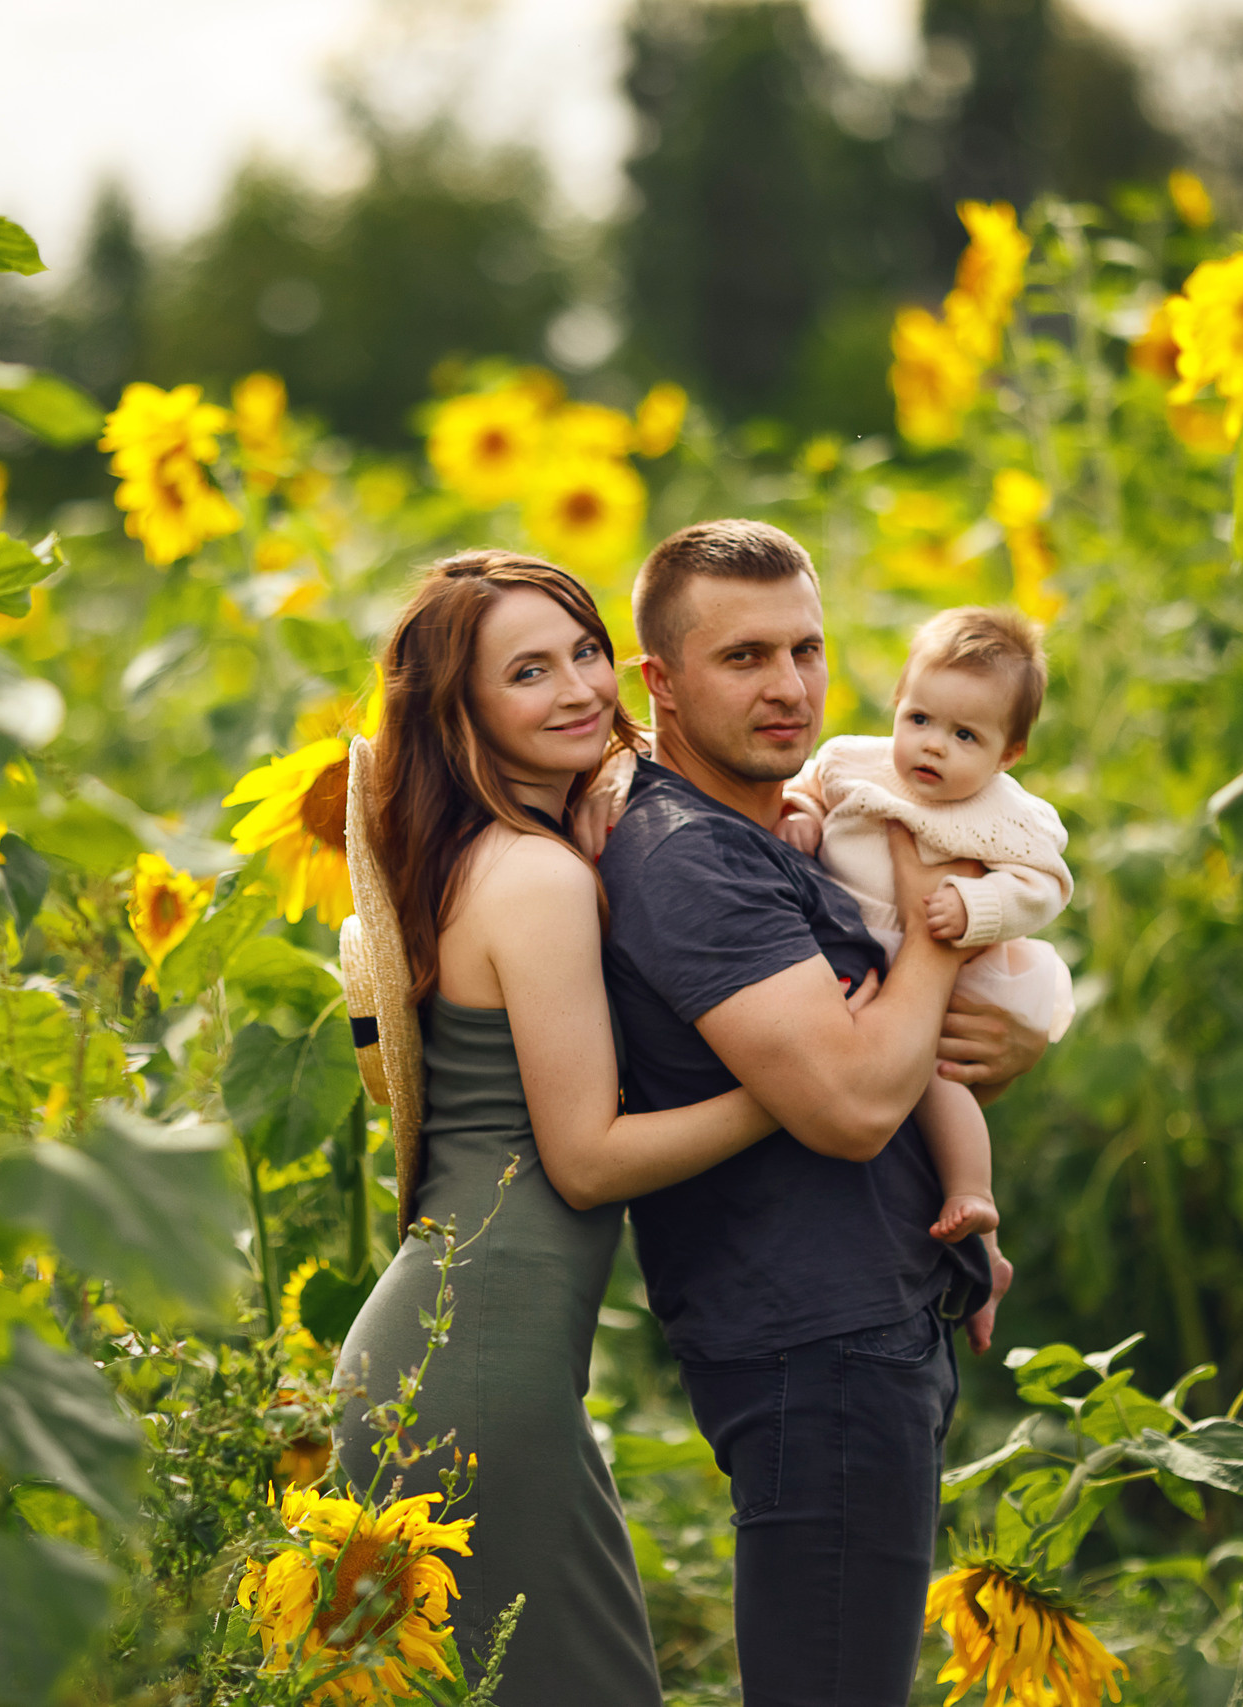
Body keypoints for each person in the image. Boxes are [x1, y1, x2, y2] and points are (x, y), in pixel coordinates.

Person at [332, 549, 878, 1706]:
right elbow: (585, 1163)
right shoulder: (535, 881)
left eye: (584, 650)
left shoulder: (490, 854)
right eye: (528, 671)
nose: (581, 688)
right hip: (481, 1368)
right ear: (464, 711)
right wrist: (789, 1086)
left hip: (456, 1351)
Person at [594, 518, 1039, 1706]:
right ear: (662, 682)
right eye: (743, 658)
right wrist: (943, 917)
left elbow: (885, 1049)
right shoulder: (689, 858)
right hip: (815, 1344)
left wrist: (986, 1043)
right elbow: (847, 1102)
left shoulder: (769, 827)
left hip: (863, 1327)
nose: (789, 687)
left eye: (807, 650)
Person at [777, 603, 1076, 1244]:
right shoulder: (853, 761)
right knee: (859, 1065)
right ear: (897, 703)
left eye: (966, 736)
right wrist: (800, 812)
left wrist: (977, 907)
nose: (934, 744)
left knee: (937, 1082)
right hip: (862, 954)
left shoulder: (1006, 814)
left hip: (954, 969)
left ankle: (973, 1196)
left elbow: (1045, 886)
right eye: (919, 719)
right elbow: (808, 786)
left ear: (1009, 753)